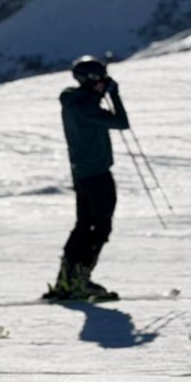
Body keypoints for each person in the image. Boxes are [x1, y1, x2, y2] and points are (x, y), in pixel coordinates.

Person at [43, 55, 129, 301]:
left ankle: (65, 280)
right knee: (100, 228)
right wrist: (114, 95)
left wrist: (100, 92)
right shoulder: (87, 107)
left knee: (83, 226)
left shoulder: (74, 101)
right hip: (98, 174)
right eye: (101, 78)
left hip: (82, 174)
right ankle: (81, 281)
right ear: (91, 80)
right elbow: (121, 122)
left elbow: (88, 102)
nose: (104, 81)